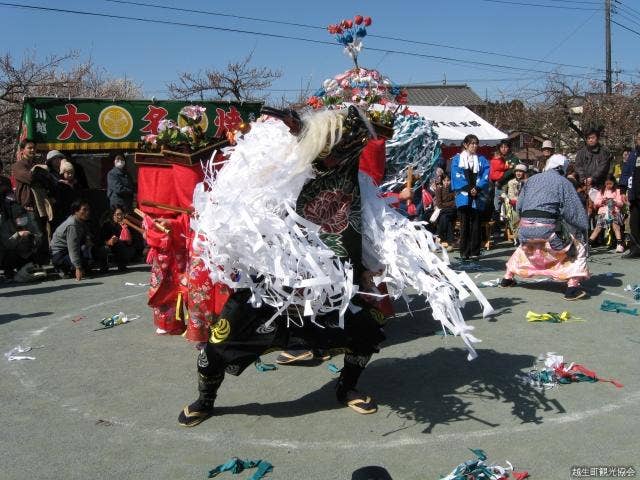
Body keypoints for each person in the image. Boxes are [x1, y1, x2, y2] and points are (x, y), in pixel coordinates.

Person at [500, 154, 589, 300]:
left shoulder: (531, 180)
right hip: (547, 231)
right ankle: (572, 287)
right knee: (578, 246)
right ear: (562, 168)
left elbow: (520, 206)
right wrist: (583, 226)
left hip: (524, 230)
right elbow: (573, 212)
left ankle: (507, 277)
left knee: (525, 247)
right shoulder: (563, 182)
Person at [451, 134, 490, 261]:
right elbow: (456, 175)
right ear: (465, 145)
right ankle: (464, 252)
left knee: (476, 224)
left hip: (477, 195)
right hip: (464, 195)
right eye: (472, 143)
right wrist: (469, 188)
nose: (474, 146)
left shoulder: (482, 160)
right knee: (464, 224)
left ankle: (475, 252)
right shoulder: (457, 159)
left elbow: (485, 175)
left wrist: (477, 188)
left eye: (476, 143)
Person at [0, 175, 40, 279]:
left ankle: (29, 267)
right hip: (12, 249)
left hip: (25, 250)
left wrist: (33, 237)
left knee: (32, 246)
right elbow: (7, 243)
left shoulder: (26, 217)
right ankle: (8, 272)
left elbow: (38, 234)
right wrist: (18, 234)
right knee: (9, 253)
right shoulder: (6, 222)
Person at [50, 199, 93, 280]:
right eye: (84, 210)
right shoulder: (72, 225)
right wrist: (78, 267)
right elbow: (73, 248)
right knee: (82, 264)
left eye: (88, 209)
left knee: (90, 259)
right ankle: (62, 268)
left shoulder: (81, 220)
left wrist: (88, 239)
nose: (87, 212)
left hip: (71, 250)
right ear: (76, 211)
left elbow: (86, 234)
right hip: (59, 253)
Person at [589, 174, 626, 253]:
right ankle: (589, 244)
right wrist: (602, 201)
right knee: (598, 227)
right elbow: (596, 202)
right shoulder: (601, 191)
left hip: (614, 211)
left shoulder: (617, 191)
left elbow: (621, 203)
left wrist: (614, 202)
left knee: (616, 226)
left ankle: (619, 244)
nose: (608, 185)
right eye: (607, 184)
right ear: (604, 183)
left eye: (610, 184)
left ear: (613, 183)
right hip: (603, 212)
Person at [619, 129, 640, 258]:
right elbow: (626, 172)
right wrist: (622, 189)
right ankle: (636, 249)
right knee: (634, 223)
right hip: (635, 194)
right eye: (638, 137)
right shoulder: (633, 154)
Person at [98, 206, 137, 271]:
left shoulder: (125, 225)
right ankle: (103, 267)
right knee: (104, 249)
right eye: (117, 214)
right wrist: (109, 241)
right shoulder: (107, 225)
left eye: (121, 214)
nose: (120, 216)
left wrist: (126, 230)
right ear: (113, 215)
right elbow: (100, 240)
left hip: (120, 245)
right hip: (108, 245)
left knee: (124, 246)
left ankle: (122, 265)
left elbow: (131, 239)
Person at [489, 139, 517, 219]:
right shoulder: (498, 158)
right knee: (497, 205)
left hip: (509, 185)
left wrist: (500, 179)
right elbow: (493, 169)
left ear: (509, 148)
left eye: (506, 147)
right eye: (502, 147)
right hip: (498, 185)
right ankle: (496, 224)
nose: (503, 149)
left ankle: (509, 226)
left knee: (509, 206)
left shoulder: (513, 158)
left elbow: (512, 171)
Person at [51, 159, 81, 231]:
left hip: (75, 210)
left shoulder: (76, 184)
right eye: (67, 173)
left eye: (71, 173)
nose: (70, 175)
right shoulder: (60, 185)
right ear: (62, 173)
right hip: (64, 212)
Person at [502, 163, 528, 242]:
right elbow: (511, 196)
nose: (518, 173)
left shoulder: (528, 182)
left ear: (524, 173)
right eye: (517, 171)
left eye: (521, 171)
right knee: (516, 222)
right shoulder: (511, 182)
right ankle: (519, 239)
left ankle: (525, 239)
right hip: (515, 205)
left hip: (526, 205)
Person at [434, 173, 456, 251]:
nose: (446, 182)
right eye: (444, 181)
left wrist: (445, 204)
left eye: (448, 180)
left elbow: (455, 203)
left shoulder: (453, 189)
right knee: (447, 219)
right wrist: (450, 204)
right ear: (442, 181)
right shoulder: (439, 189)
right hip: (443, 212)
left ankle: (439, 238)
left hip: (452, 211)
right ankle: (450, 243)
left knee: (446, 217)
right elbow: (439, 204)